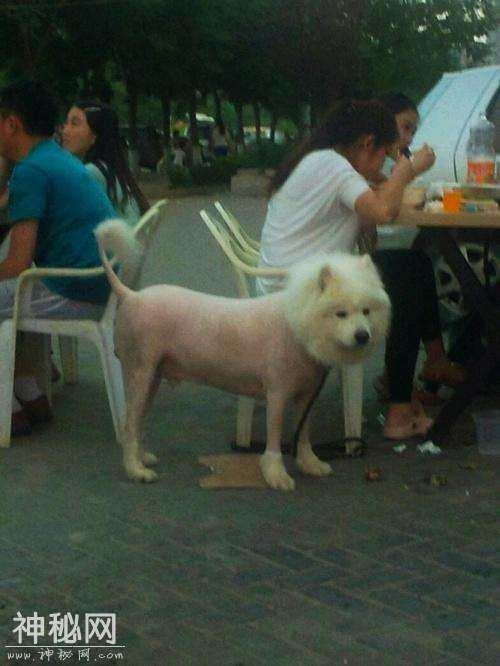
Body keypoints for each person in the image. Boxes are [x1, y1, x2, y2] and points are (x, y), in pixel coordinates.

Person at [256, 99, 462, 441]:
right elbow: (383, 210)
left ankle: (423, 369)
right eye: (384, 153)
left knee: (412, 264)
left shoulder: (322, 160)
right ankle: (400, 406)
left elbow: (377, 195)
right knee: (404, 278)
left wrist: (395, 175)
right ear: (367, 144)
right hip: (298, 289)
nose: (385, 162)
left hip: (296, 278)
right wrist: (406, 170)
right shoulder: (333, 167)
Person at [0, 80, 117, 437]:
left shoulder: (31, 171)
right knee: (12, 297)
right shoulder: (53, 158)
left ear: (11, 124)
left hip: (75, 291)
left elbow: (17, 265)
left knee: (9, 293)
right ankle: (29, 395)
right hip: (98, 283)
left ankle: (10, 411)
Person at [62, 101, 149, 225]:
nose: (65, 130)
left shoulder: (90, 173)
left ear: (95, 135)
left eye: (74, 124)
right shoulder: (110, 169)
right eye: (66, 123)